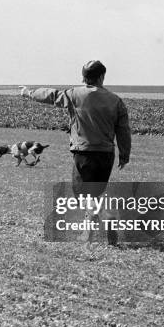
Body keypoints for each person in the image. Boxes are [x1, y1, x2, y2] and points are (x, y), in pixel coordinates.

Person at [19, 60, 131, 246]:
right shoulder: (116, 101)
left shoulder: (74, 94)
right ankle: (88, 234)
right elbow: (123, 130)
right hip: (106, 155)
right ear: (102, 76)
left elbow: (51, 95)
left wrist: (27, 92)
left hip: (84, 154)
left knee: (82, 195)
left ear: (84, 77)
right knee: (94, 195)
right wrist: (125, 155)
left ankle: (107, 216)